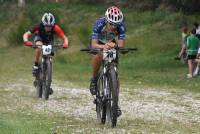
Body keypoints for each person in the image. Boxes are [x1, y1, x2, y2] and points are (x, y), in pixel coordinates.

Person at [89, 6, 126, 116]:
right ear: (106, 21)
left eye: (116, 24)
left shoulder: (121, 26)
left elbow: (121, 44)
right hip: (99, 42)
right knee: (99, 55)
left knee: (115, 72)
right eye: (111, 24)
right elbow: (93, 44)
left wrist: (114, 44)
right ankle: (94, 79)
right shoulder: (99, 24)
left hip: (111, 43)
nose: (114, 27)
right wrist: (104, 46)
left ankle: (115, 102)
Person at [23, 12, 69, 93]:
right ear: (43, 24)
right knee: (39, 47)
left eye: (50, 26)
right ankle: (36, 65)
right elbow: (26, 34)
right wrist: (26, 41)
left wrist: (66, 44)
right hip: (39, 38)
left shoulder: (56, 28)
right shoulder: (38, 26)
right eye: (46, 26)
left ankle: (47, 83)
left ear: (53, 25)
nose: (48, 28)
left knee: (50, 55)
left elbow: (64, 37)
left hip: (49, 41)